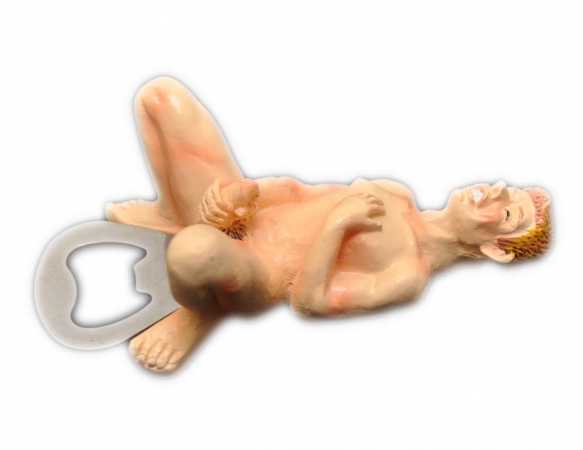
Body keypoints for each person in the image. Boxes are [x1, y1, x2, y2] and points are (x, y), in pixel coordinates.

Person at [108, 77, 551, 372]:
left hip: (253, 273)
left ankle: (202, 311)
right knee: (161, 98)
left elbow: (309, 302)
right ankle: (172, 212)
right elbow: (299, 193)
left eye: (507, 213)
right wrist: (242, 197)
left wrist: (338, 226)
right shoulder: (396, 194)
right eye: (506, 189)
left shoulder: (408, 274)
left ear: (496, 247)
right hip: (240, 223)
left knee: (194, 250)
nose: (494, 190)